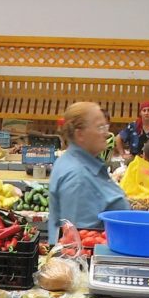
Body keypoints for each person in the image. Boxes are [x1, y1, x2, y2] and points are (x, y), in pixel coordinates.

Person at [47, 102, 129, 244]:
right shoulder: (78, 178)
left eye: (106, 126)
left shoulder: (81, 162)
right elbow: (80, 243)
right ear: (80, 134)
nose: (106, 133)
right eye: (100, 127)